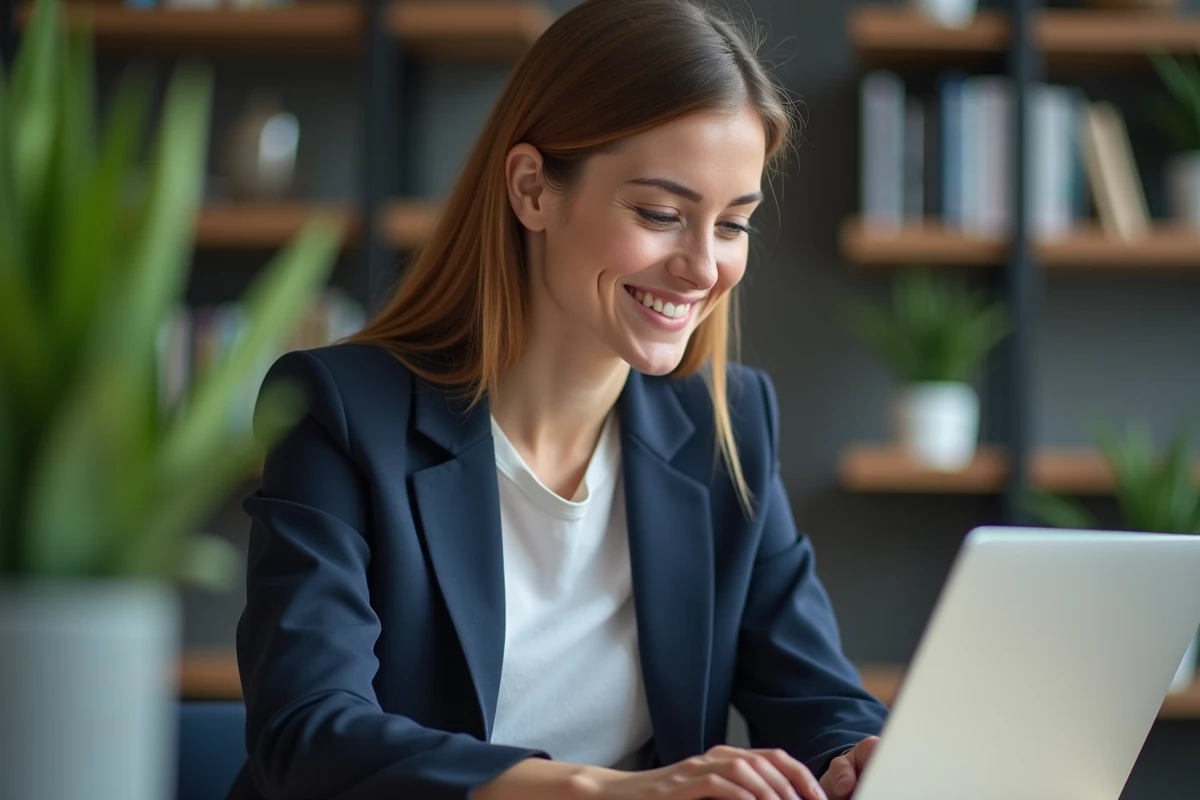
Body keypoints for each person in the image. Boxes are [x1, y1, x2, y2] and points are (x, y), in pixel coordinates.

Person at [226, 1, 888, 798]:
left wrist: (859, 755)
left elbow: (817, 701)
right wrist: (602, 791)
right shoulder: (340, 412)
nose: (704, 267)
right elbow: (308, 733)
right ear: (534, 189)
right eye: (661, 214)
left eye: (732, 225)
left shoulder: (728, 426)